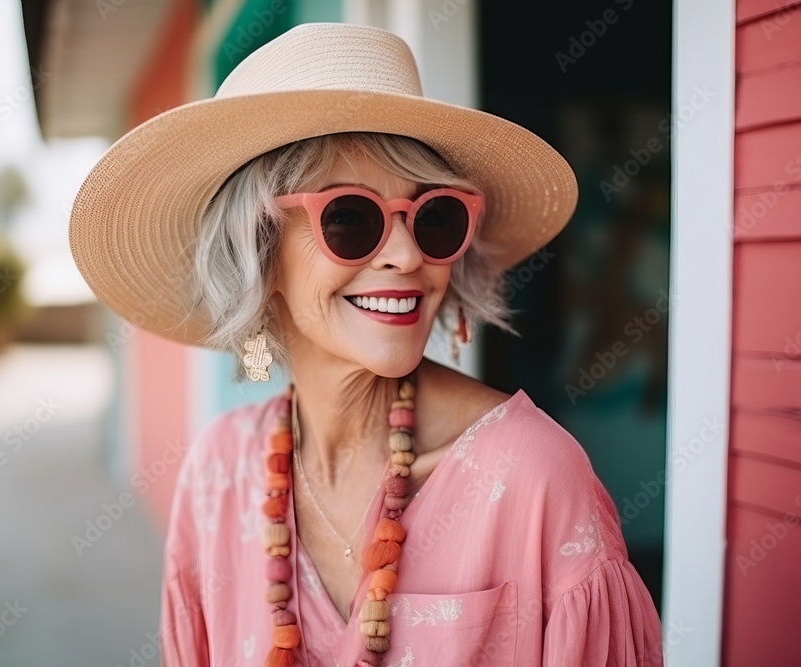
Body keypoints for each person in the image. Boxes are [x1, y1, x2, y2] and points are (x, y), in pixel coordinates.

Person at [70, 21, 663, 667]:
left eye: (434, 216)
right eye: (350, 217)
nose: (407, 255)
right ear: (259, 253)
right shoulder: (217, 473)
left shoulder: (534, 477)